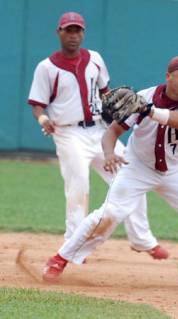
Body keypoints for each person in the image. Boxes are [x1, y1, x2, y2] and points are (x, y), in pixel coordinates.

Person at [41, 55, 178, 289]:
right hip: (137, 167)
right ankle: (60, 259)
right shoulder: (144, 97)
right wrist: (109, 153)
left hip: (175, 170)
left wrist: (149, 111)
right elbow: (111, 133)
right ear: (168, 76)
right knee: (109, 215)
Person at [27, 12, 168, 260]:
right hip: (68, 133)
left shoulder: (95, 59)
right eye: (68, 30)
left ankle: (142, 239)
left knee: (130, 176)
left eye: (78, 30)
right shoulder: (47, 68)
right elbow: (37, 103)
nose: (74, 35)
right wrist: (43, 119)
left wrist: (115, 106)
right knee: (78, 187)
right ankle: (72, 246)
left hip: (100, 130)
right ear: (59, 32)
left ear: (83, 33)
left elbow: (106, 92)